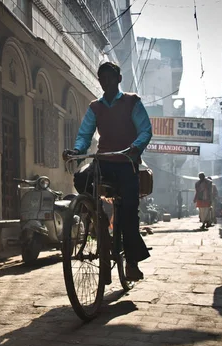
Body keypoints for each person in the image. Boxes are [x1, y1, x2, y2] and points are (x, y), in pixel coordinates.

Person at [62, 61, 152, 281]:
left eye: (110, 78)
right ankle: (98, 218)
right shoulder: (95, 107)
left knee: (129, 210)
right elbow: (85, 134)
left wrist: (135, 147)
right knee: (81, 178)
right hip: (104, 161)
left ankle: (131, 262)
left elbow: (145, 130)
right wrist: (77, 150)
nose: (106, 82)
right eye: (102, 79)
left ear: (119, 79)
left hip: (126, 162)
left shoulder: (132, 102)